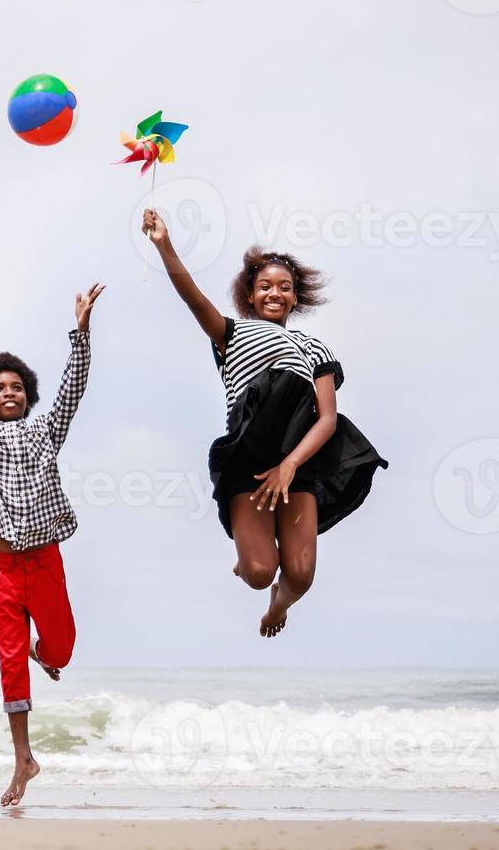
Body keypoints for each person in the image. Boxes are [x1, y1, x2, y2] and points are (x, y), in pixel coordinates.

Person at [141, 208, 388, 638]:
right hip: (248, 459)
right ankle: (249, 559)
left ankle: (279, 603)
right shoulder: (231, 334)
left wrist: (291, 465)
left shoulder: (314, 348)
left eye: (285, 288)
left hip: (299, 459)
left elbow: (327, 418)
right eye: (265, 286)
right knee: (257, 571)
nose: (275, 293)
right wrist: (165, 246)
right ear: (251, 296)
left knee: (300, 576)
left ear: (296, 297)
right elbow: (192, 297)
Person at [0, 275, 103, 806]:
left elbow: (72, 391)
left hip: (44, 561)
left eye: (16, 387)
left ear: (27, 396)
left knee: (59, 650)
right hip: (2, 566)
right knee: (10, 661)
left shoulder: (46, 431)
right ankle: (23, 761)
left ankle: (45, 651)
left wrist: (80, 332)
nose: (7, 393)